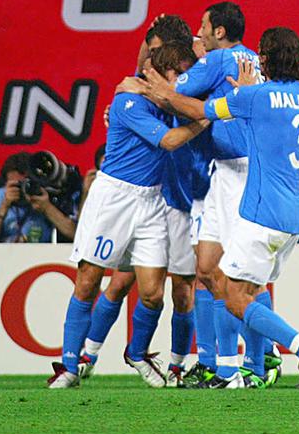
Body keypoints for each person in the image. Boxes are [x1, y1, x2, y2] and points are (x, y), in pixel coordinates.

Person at [132, 27, 299, 389]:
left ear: (266, 59)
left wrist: (165, 92)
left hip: (262, 211)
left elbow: (201, 109)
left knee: (230, 293)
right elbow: (270, 123)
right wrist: (245, 92)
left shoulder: (257, 96)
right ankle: (247, 371)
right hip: (292, 214)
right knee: (245, 288)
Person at [125, 2, 270, 386]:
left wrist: (136, 88)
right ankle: (218, 363)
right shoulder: (250, 60)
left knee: (237, 275)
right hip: (226, 170)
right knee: (207, 270)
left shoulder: (222, 59)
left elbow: (171, 93)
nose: (198, 31)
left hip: (236, 172)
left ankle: (261, 360)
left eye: (203, 25)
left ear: (219, 31)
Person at [48, 53, 210, 389]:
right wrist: (207, 117)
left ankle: (141, 354)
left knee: (157, 294)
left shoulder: (177, 100)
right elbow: (168, 139)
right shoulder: (129, 101)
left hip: (163, 201)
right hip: (120, 199)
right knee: (95, 280)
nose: (184, 80)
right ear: (156, 72)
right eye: (178, 73)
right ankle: (71, 364)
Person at [0, 152, 77, 243]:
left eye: (25, 184)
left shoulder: (47, 196)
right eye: (15, 185)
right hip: (1, 257)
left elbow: (74, 234)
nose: (21, 189)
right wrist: (4, 208)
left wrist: (47, 208)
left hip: (41, 257)